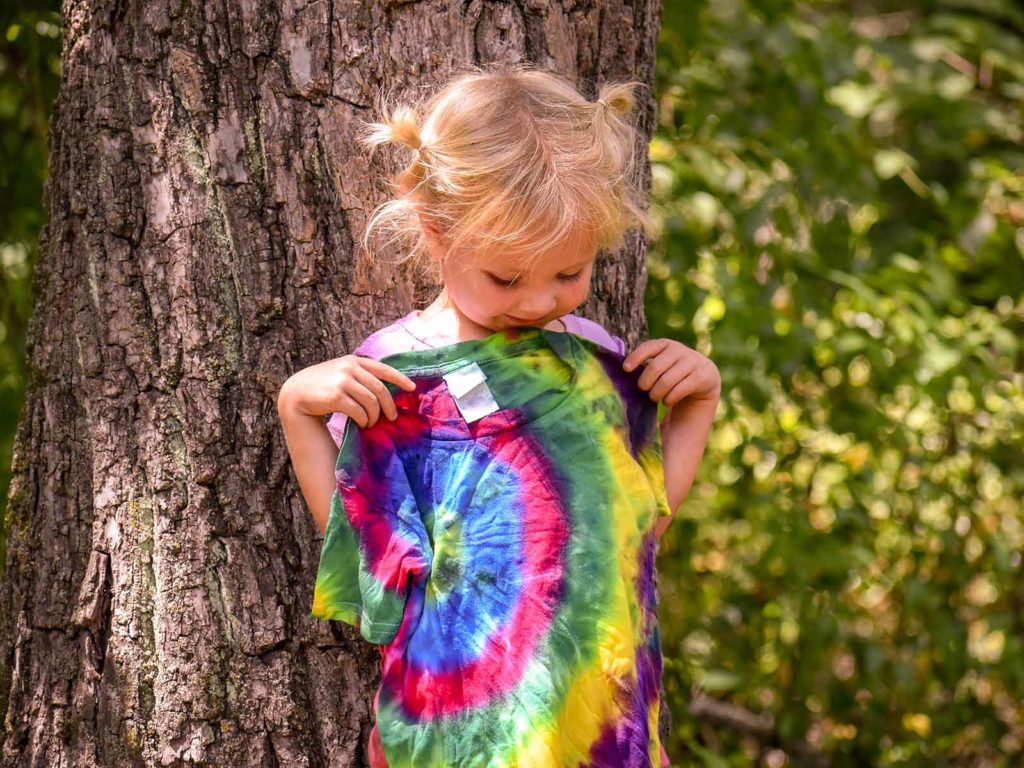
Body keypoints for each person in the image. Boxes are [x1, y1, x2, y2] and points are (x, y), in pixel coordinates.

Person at [278, 64, 721, 768]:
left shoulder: (594, 361)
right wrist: (299, 408)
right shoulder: (394, 375)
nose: (538, 301)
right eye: (507, 277)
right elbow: (370, 552)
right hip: (459, 726)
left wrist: (698, 405)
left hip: (594, 721)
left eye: (568, 274)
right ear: (435, 232)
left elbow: (632, 529)